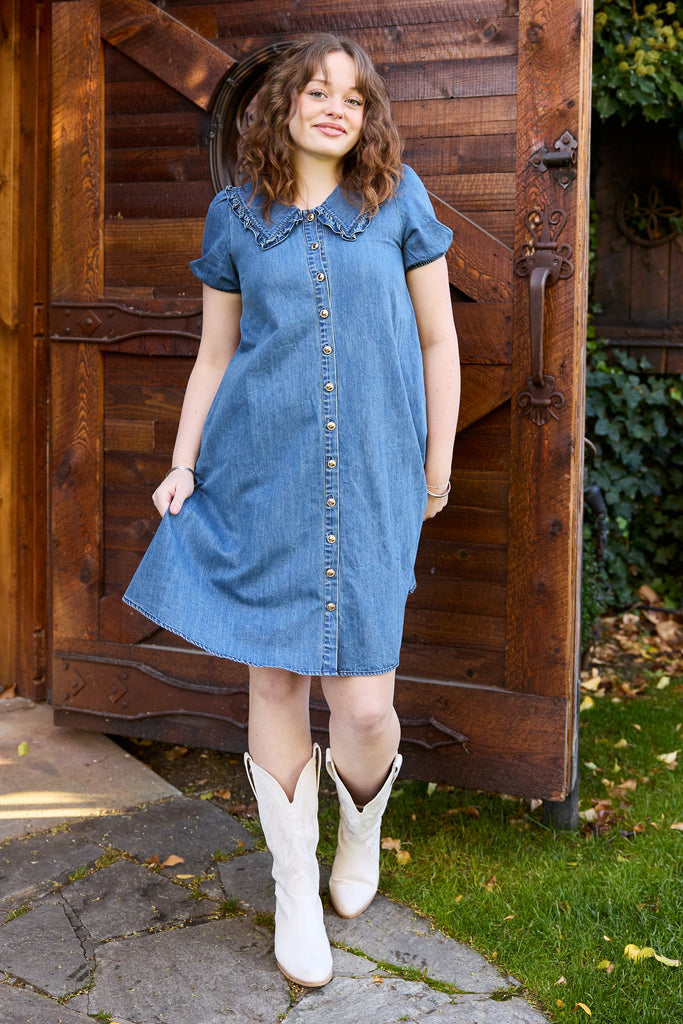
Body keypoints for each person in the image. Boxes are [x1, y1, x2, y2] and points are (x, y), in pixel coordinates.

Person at [124, 33, 460, 989]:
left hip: (372, 480)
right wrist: (183, 463)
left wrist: (432, 467)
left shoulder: (398, 203)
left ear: (367, 119)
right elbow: (216, 356)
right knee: (272, 685)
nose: (334, 109)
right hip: (259, 475)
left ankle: (361, 832)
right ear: (284, 106)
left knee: (362, 703)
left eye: (352, 99)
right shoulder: (235, 216)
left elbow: (439, 343)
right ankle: (292, 885)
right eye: (317, 91)